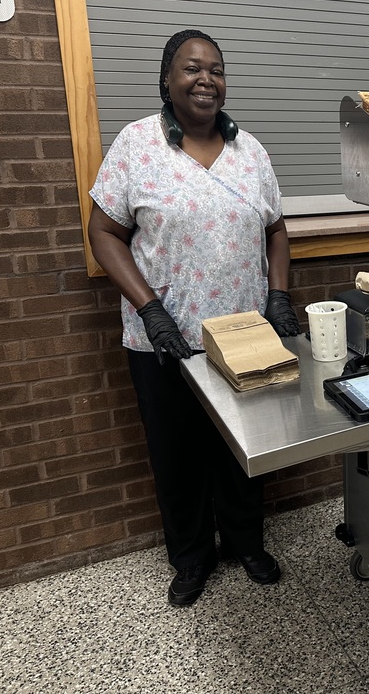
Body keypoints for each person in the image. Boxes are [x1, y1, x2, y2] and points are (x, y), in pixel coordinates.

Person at [87, 29, 302, 607]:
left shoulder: (250, 151)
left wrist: (278, 297)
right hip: (165, 339)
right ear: (166, 79)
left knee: (243, 445)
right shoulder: (137, 145)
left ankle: (244, 541)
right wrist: (151, 310)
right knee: (176, 450)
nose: (206, 79)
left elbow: (276, 229)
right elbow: (103, 233)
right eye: (191, 68)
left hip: (244, 336)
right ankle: (189, 557)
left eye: (216, 70)